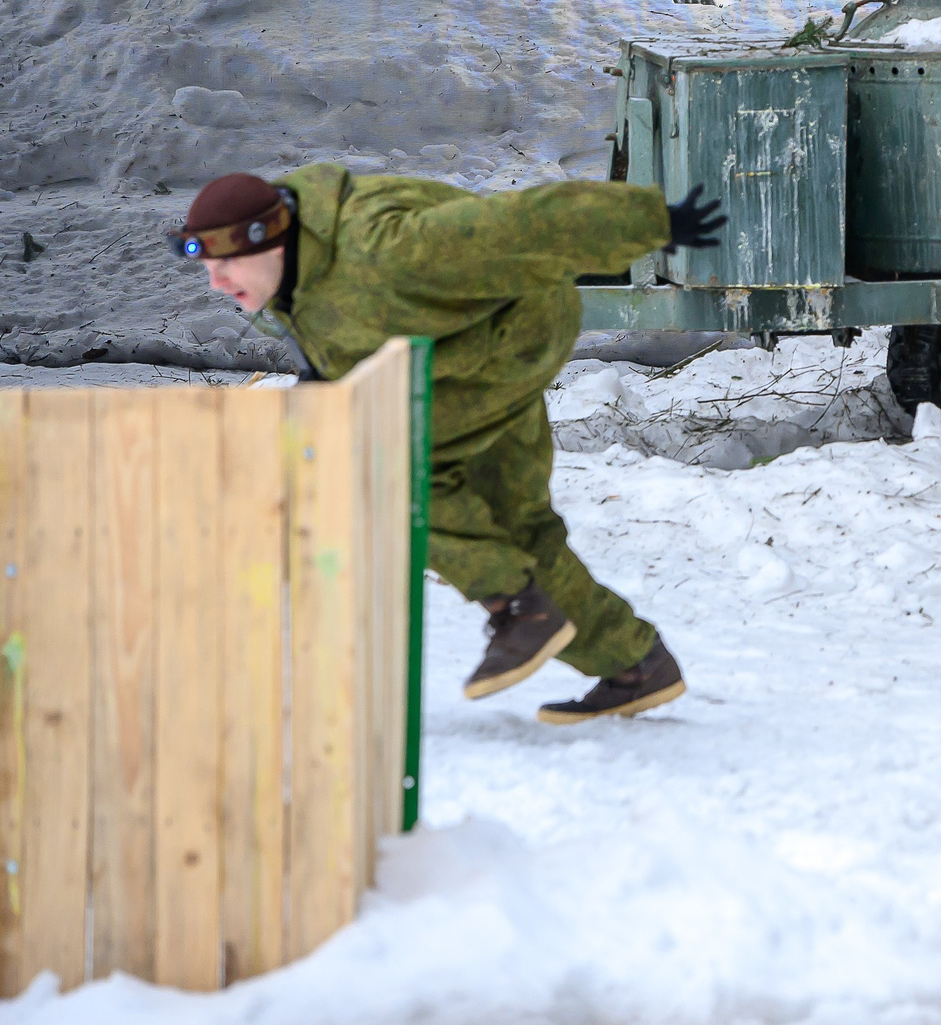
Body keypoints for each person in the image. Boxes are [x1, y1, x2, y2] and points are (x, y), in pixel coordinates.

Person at [174, 165, 727, 723]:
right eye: (206, 268)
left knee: (388, 465)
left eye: (227, 264)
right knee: (513, 528)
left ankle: (516, 608)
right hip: (461, 353)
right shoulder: (298, 269)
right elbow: (347, 331)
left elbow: (518, 226)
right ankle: (635, 666)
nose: (216, 283)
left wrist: (652, 221)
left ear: (270, 239)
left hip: (513, 340)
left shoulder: (384, 249)